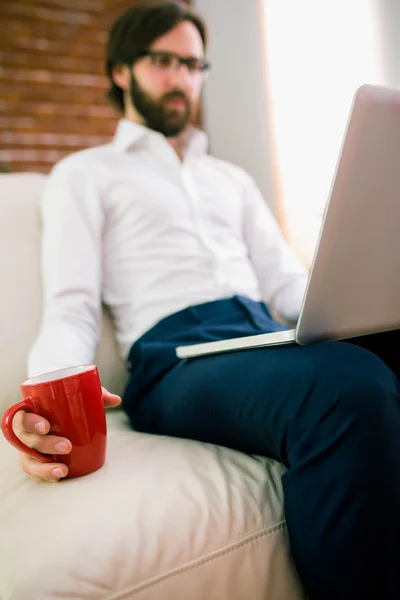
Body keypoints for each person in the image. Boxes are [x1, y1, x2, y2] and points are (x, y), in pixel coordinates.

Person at [10, 1, 400, 598]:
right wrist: (48, 401)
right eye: (163, 61)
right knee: (345, 388)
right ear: (121, 71)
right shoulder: (86, 174)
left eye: (193, 64)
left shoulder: (231, 179)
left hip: (258, 335)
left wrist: (361, 300)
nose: (182, 78)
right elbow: (71, 305)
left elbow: (289, 290)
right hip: (176, 359)